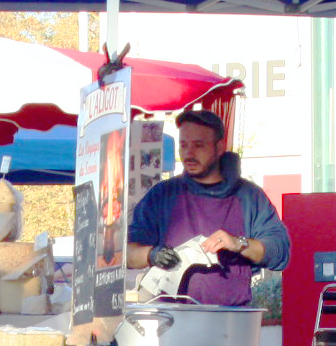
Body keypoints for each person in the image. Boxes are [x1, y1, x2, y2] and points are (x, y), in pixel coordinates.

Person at [125, 108, 292, 306]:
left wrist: (239, 243)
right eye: (183, 145)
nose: (188, 153)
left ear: (219, 147)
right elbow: (127, 253)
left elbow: (280, 252)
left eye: (198, 145)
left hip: (230, 323)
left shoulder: (248, 196)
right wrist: (151, 254)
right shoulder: (162, 195)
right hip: (172, 322)